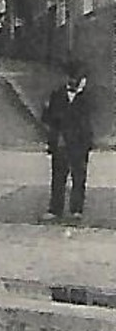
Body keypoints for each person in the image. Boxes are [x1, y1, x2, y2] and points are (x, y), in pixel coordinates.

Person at [43, 63, 94, 220]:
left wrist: (87, 142)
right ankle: (55, 209)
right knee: (58, 177)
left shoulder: (87, 98)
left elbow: (91, 121)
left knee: (78, 177)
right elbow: (48, 118)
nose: (74, 82)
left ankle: (76, 209)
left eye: (77, 79)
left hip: (79, 144)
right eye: (72, 79)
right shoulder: (57, 95)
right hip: (61, 142)